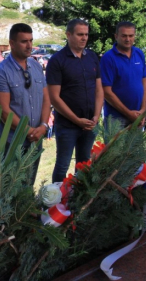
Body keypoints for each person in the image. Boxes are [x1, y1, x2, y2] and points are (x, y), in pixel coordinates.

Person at [0, 23, 51, 184]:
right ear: (11, 43)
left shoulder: (37, 67)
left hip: (35, 140)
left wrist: (43, 126)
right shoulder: (1, 72)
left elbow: (46, 99)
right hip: (13, 142)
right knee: (10, 188)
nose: (29, 45)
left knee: (29, 184)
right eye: (24, 41)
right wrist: (30, 131)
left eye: (31, 40)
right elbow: (3, 111)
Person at [47, 19, 104, 183]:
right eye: (80, 34)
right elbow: (54, 98)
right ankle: (56, 201)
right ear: (68, 35)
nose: (84, 38)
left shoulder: (92, 57)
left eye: (86, 34)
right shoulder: (57, 61)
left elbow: (99, 89)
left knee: (84, 163)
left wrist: (96, 115)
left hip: (90, 123)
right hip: (68, 125)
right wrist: (77, 120)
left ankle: (79, 199)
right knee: (62, 166)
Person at [101, 22, 146, 128]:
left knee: (136, 145)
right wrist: (128, 113)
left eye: (131, 36)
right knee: (116, 145)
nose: (128, 39)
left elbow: (144, 83)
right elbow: (106, 91)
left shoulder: (139, 54)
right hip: (116, 119)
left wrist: (143, 110)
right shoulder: (108, 58)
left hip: (138, 116)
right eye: (124, 36)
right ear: (116, 36)